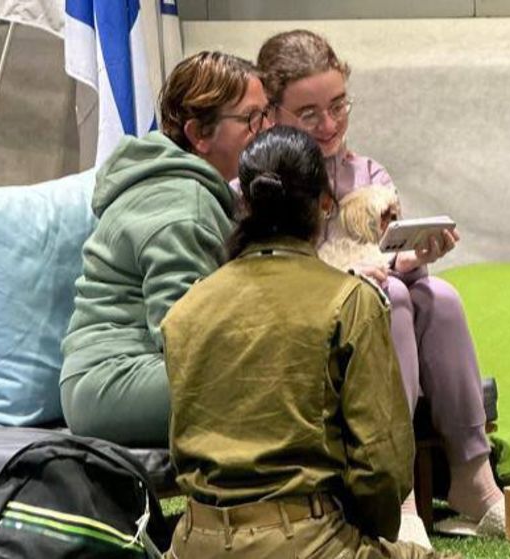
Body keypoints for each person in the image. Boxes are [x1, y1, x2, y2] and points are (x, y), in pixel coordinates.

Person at [257, 30, 505, 542]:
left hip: (377, 308)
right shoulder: (261, 180)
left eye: (338, 105)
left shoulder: (367, 173)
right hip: (303, 330)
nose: (329, 125)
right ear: (273, 113)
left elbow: (386, 261)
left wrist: (415, 257)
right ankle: (399, 491)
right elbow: (263, 273)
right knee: (387, 297)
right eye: (308, 115)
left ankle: (472, 475)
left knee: (440, 296)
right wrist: (350, 277)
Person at [162, 126, 451, 559]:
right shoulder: (350, 301)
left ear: (245, 204)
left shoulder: (185, 310)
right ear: (324, 205)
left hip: (193, 542)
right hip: (307, 542)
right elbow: (382, 465)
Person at [60, 51, 272, 446]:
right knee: (280, 383)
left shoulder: (191, 189)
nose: (264, 130)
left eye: (266, 114)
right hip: (114, 381)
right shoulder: (183, 205)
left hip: (125, 377)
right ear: (198, 134)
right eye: (250, 119)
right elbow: (183, 332)